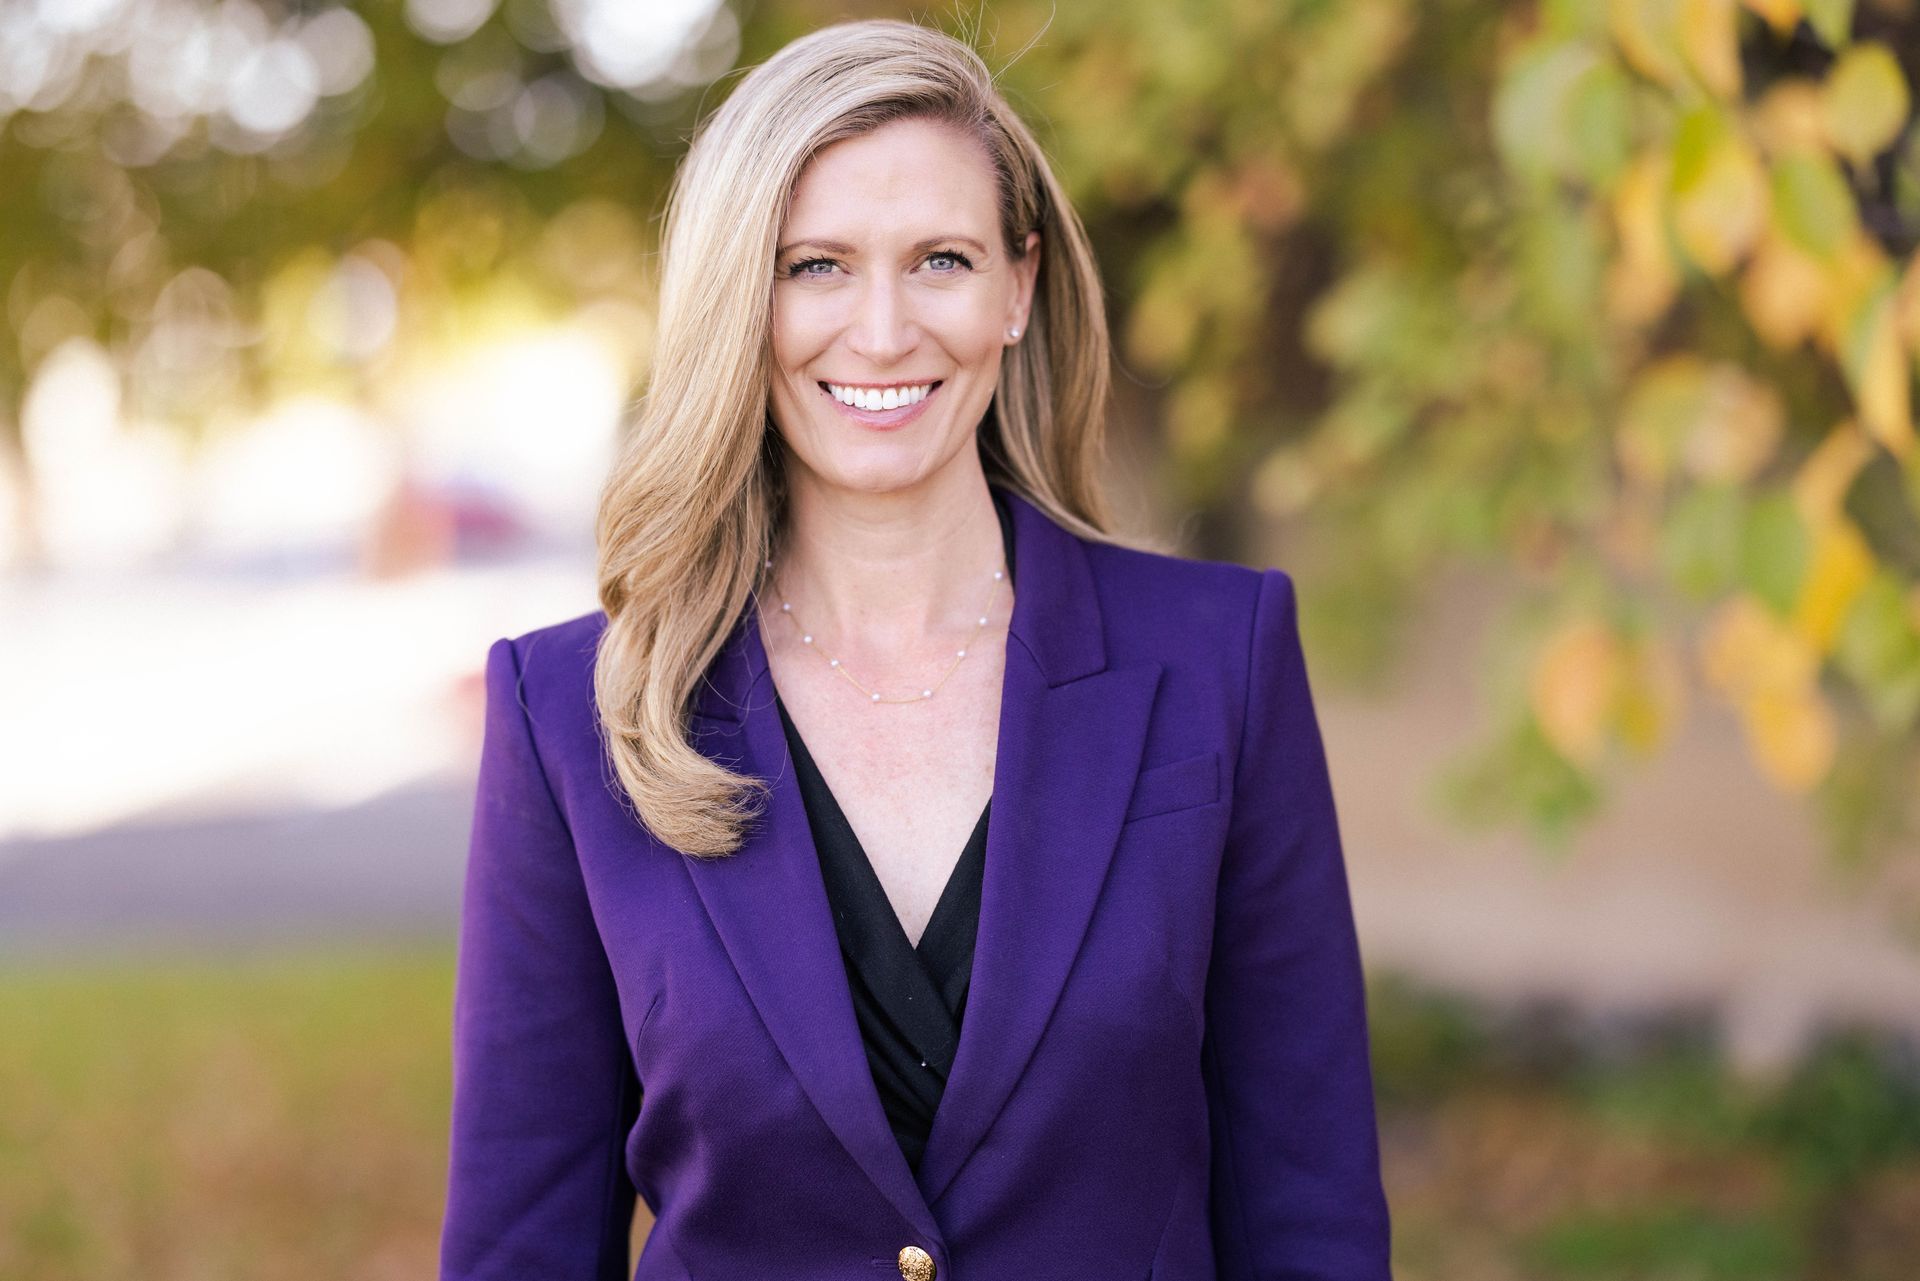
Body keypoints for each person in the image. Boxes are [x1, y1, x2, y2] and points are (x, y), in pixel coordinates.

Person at [438, 17, 1391, 1281]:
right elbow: (521, 1250)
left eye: (940, 259)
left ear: (1019, 288)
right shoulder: (575, 714)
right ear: (742, 300)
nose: (882, 333)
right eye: (816, 266)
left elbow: (1309, 1216)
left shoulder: (1224, 663)